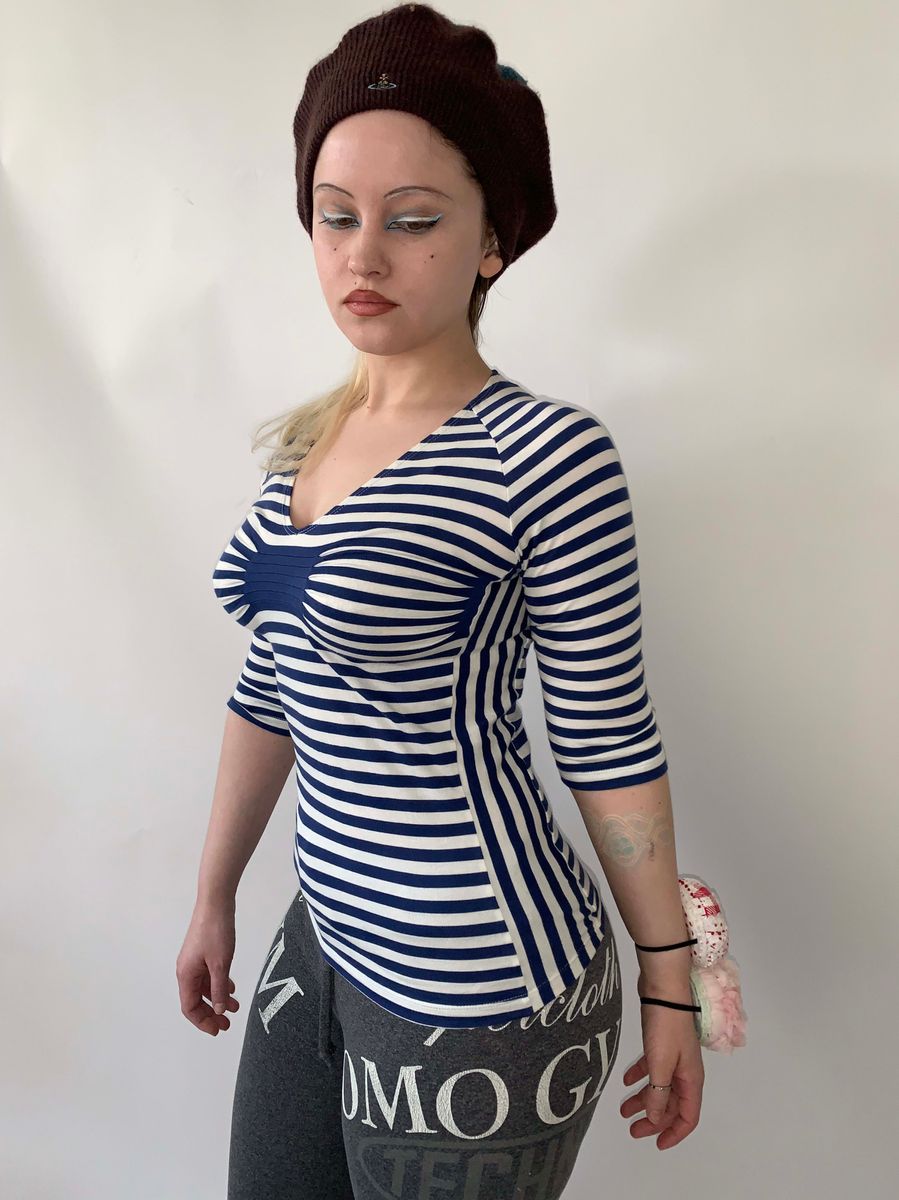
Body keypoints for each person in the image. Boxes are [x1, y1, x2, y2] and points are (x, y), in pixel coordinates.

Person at [176, 4, 703, 1195]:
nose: (363, 256)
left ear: (490, 241)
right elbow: (271, 682)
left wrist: (671, 980)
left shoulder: (544, 456)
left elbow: (605, 733)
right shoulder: (306, 442)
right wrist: (214, 892)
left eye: (412, 221)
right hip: (324, 934)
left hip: (483, 990)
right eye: (335, 216)